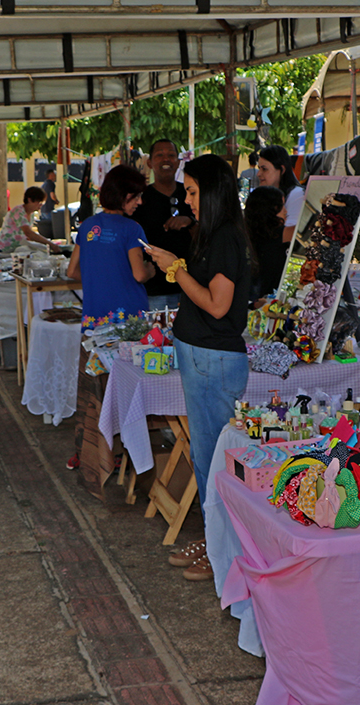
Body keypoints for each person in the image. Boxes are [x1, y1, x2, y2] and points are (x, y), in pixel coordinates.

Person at [145, 155, 252, 582]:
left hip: (213, 358)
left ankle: (223, 551)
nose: (186, 200)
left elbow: (217, 304)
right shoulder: (210, 234)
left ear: (213, 192)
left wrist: (175, 269)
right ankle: (214, 540)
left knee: (216, 461)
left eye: (192, 192)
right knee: (207, 458)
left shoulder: (225, 236)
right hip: (200, 354)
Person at [66, 164, 154, 327]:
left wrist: (101, 280)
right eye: (136, 196)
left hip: (95, 314)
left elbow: (71, 271)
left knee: (96, 353)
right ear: (122, 195)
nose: (140, 202)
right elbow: (139, 275)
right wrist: (150, 269)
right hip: (128, 315)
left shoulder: (86, 226)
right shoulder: (132, 228)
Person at [130, 139, 196, 311]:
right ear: (150, 163)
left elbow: (208, 229)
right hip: (153, 291)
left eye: (171, 155)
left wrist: (189, 221)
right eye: (160, 155)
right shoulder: (139, 199)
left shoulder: (191, 193)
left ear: (179, 162)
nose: (166, 159)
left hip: (191, 287)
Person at [244, 186, 287, 299]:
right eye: (282, 206)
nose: (285, 211)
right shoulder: (279, 234)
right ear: (273, 208)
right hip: (267, 298)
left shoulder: (247, 234)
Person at [256, 145, 303, 243]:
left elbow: (288, 235)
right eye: (259, 168)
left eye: (264, 169)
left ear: (281, 170)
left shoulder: (297, 195)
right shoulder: (265, 197)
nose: (259, 174)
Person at [0, 186, 61, 253]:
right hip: (3, 247)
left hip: (15, 248)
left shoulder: (31, 213)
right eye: (39, 203)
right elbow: (28, 233)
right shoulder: (18, 211)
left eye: (42, 203)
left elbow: (28, 235)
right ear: (30, 200)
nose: (40, 206)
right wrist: (50, 244)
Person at [38, 168, 59, 239]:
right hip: (48, 208)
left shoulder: (44, 184)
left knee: (44, 227)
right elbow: (52, 195)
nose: (55, 175)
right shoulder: (51, 184)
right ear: (50, 175)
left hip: (43, 208)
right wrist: (56, 200)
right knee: (50, 227)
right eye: (54, 174)